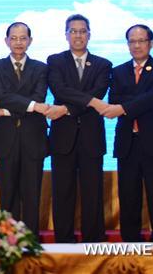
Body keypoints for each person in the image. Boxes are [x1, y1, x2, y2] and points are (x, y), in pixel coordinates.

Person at [104, 24, 153, 242]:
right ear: (127, 45)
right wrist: (139, 102)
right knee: (128, 195)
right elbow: (114, 100)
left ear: (150, 43)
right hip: (127, 141)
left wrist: (125, 107)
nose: (137, 45)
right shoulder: (118, 71)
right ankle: (130, 243)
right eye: (132, 41)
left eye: (141, 41)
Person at [46, 14, 111, 243]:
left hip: (91, 137)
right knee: (62, 192)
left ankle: (93, 241)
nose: (78, 35)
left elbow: (99, 92)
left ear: (89, 35)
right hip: (63, 137)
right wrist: (91, 102)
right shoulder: (55, 61)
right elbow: (60, 89)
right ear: (66, 35)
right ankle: (64, 241)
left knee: (93, 193)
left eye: (82, 31)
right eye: (73, 31)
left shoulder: (104, 64)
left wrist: (65, 109)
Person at [0, 22, 48, 235]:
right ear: (6, 41)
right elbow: (0, 96)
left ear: (30, 41)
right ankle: (7, 242)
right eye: (14, 38)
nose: (18, 42)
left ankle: (31, 242)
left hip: (34, 138)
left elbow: (39, 97)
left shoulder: (41, 68)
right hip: (6, 140)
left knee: (32, 195)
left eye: (23, 38)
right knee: (8, 195)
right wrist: (31, 107)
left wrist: (4, 111)